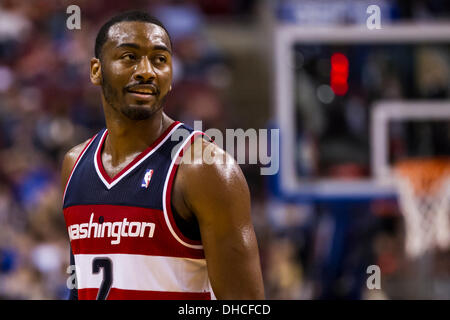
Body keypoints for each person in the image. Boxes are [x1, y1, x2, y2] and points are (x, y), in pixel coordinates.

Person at [60, 10, 264, 300]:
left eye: (160, 59)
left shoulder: (205, 169)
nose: (146, 71)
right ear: (96, 71)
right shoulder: (75, 164)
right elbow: (79, 287)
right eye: (129, 57)